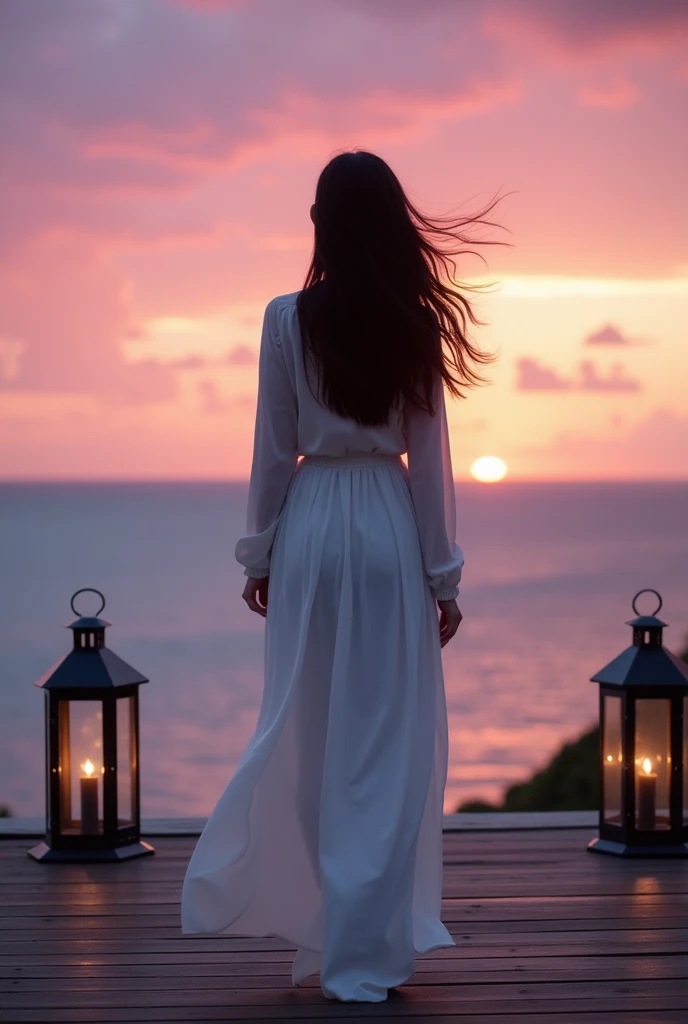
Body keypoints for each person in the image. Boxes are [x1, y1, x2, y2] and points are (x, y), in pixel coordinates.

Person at [181, 150, 507, 1002]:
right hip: (388, 530)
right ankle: (366, 946)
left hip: (315, 526)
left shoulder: (285, 319)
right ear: (394, 225)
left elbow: (271, 446)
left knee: (312, 728)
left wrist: (260, 551)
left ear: (322, 223)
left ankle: (335, 932)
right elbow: (431, 460)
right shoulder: (414, 323)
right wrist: (443, 577)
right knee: (384, 742)